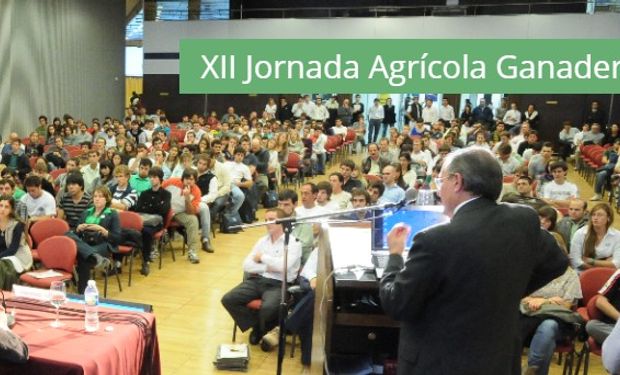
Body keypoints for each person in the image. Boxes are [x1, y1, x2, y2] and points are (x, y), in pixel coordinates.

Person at [379, 147, 568, 375]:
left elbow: (397, 304)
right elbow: (558, 262)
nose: (439, 190)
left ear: (457, 181)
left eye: (441, 182)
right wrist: (508, 290)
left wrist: (395, 256)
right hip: (499, 359)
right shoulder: (524, 219)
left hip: (440, 363)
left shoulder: (435, 239)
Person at [221, 208, 302, 345]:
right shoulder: (262, 241)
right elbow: (246, 265)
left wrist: (262, 257)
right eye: (265, 220)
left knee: (268, 308)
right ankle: (258, 326)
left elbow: (284, 267)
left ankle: (261, 328)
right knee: (229, 299)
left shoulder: (294, 243)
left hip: (280, 283)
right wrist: (267, 266)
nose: (267, 223)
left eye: (271, 220)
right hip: (258, 279)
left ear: (281, 222)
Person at [68, 186, 121, 294]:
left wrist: (102, 229)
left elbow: (117, 238)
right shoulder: (86, 212)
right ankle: (93, 255)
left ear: (106, 199)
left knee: (83, 257)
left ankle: (82, 293)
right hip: (85, 243)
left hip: (103, 243)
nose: (97, 199)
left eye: (100, 196)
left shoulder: (112, 214)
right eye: (95, 196)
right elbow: (77, 234)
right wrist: (78, 228)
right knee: (67, 234)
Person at [131, 167, 170, 276]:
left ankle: (146, 261)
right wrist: (155, 206)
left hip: (157, 222)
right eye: (150, 177)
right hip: (144, 218)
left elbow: (164, 210)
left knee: (146, 232)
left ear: (160, 179)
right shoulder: (144, 193)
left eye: (154, 177)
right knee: (129, 229)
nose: (152, 179)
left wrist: (148, 207)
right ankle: (121, 261)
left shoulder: (166, 194)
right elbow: (138, 208)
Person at [162, 169, 202, 264]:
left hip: (180, 212)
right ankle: (152, 248)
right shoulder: (171, 182)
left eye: (191, 179)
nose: (189, 181)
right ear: (182, 178)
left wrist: (187, 198)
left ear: (195, 180)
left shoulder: (196, 192)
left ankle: (192, 252)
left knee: (193, 220)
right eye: (187, 178)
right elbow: (159, 190)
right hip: (165, 209)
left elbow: (191, 212)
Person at [570, 202, 620, 270]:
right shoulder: (580, 233)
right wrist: (605, 263)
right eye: (593, 215)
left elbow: (616, 263)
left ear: (608, 218)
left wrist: (591, 261)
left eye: (600, 215)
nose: (595, 218)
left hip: (608, 273)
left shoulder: (617, 235)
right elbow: (576, 261)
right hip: (582, 272)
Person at [0, 195, 32, 290]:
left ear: (11, 209)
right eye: (0, 205)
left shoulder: (17, 224)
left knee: (1, 266)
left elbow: (13, 249)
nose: (2, 209)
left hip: (18, 256)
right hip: (3, 254)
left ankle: (3, 295)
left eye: (6, 207)